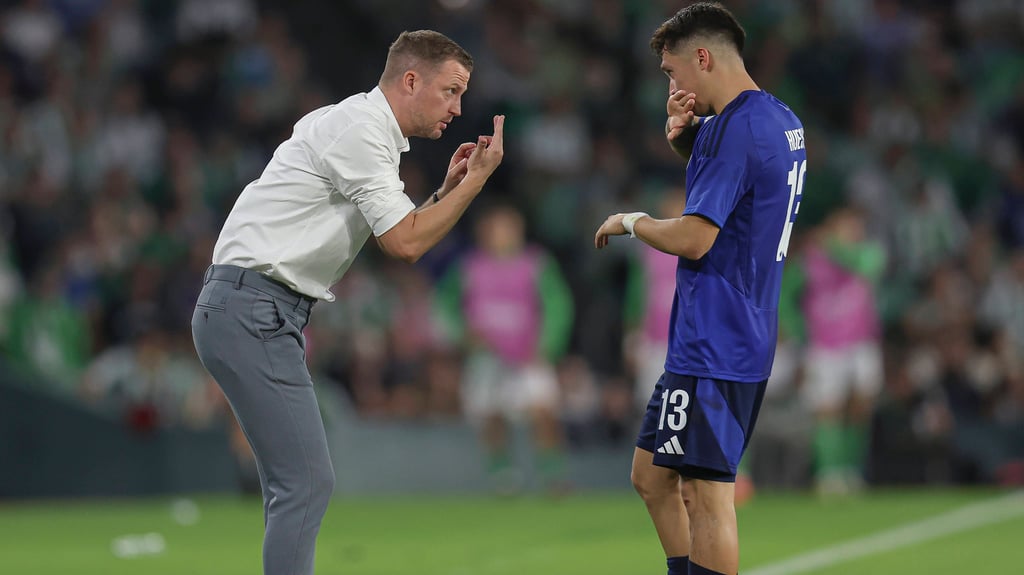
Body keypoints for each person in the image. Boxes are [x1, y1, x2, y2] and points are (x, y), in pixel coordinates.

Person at [191, 30, 505, 575]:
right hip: (252, 309)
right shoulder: (360, 130)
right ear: (411, 80)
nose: (457, 108)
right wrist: (475, 183)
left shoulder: (357, 125)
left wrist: (448, 191)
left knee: (296, 484)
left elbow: (401, 231)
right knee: (306, 482)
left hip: (252, 307)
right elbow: (404, 244)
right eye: (451, 90)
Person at [593, 4, 806, 575]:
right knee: (651, 476)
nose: (671, 85)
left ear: (703, 58)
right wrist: (691, 141)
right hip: (721, 332)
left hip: (719, 337)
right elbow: (745, 190)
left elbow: (694, 238)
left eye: (672, 71)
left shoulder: (734, 130)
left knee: (705, 495)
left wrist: (632, 221)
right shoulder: (778, 118)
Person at [434, 202, 574, 494]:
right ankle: (503, 476)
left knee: (544, 411)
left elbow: (558, 304)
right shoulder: (469, 266)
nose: (503, 235)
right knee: (491, 415)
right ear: (484, 233)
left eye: (508, 229)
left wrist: (548, 344)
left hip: (528, 355)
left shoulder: (536, 263)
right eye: (497, 229)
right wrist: (462, 334)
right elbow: (445, 304)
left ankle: (552, 474)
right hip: (486, 356)